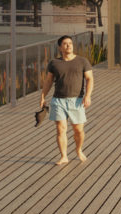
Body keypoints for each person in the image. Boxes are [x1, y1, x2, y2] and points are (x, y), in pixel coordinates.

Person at [38, 34, 93, 164]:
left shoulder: (82, 61)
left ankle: (78, 150)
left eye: (70, 43)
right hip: (58, 100)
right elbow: (48, 81)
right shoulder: (54, 63)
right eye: (65, 44)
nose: (69, 45)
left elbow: (89, 79)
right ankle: (64, 156)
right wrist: (42, 96)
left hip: (77, 100)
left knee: (78, 130)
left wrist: (88, 96)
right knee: (60, 129)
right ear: (60, 47)